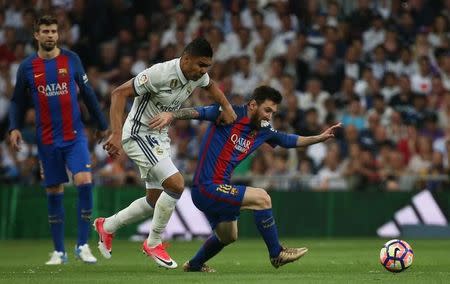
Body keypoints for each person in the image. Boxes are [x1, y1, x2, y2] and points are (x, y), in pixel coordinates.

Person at [149, 86, 341, 271]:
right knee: (262, 198)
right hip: (206, 187)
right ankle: (277, 253)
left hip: (219, 189)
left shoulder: (263, 130)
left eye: (273, 112)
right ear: (252, 105)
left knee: (228, 236)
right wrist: (172, 115)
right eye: (267, 110)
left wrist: (320, 137)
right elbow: (197, 112)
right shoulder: (228, 113)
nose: (269, 116)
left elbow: (288, 140)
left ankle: (194, 265)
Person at [95, 37, 236, 269]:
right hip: (138, 134)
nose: (203, 71)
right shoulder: (159, 74)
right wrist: (116, 133)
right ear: (186, 59)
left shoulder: (198, 75)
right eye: (200, 65)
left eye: (207, 67)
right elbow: (118, 93)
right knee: (176, 184)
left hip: (159, 137)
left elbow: (211, 86)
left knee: (154, 199)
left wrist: (228, 107)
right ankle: (154, 242)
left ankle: (107, 226)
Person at [8, 15, 108, 265]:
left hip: (74, 136)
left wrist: (102, 124)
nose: (51, 35)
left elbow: (87, 93)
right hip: (47, 140)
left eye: (53, 31)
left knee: (85, 181)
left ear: (58, 34)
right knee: (54, 191)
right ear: (36, 35)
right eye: (45, 31)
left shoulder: (71, 59)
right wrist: (14, 128)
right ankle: (59, 251)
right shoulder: (27, 67)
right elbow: (18, 101)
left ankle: (83, 245)